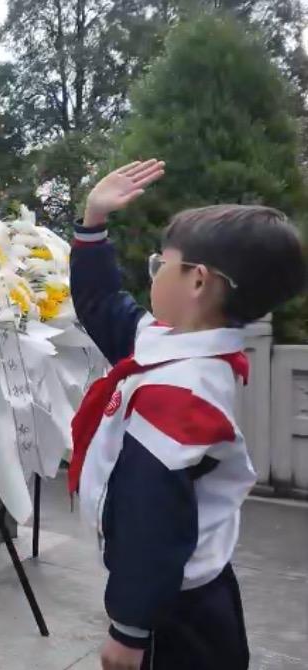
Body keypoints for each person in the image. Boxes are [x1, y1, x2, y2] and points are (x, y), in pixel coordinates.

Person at [68, 159, 306, 670]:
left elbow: (150, 520)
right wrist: (93, 223)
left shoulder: (178, 395)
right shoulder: (176, 346)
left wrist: (129, 629)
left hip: (174, 614)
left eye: (161, 264)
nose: (153, 274)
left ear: (197, 281)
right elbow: (102, 304)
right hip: (184, 593)